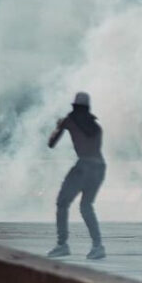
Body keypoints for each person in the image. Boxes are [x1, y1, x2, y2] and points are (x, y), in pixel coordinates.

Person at [47, 91, 106, 260]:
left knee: (62, 203)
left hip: (84, 166)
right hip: (100, 167)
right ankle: (98, 245)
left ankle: (62, 245)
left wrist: (59, 126)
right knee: (86, 206)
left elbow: (51, 143)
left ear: (74, 106)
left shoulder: (70, 120)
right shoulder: (96, 127)